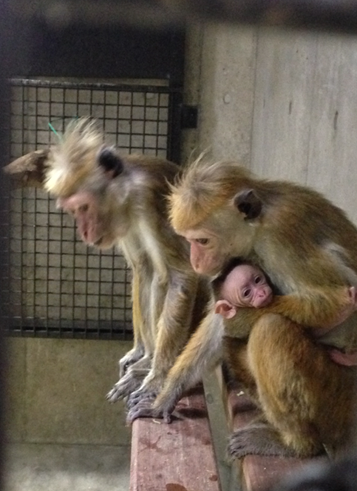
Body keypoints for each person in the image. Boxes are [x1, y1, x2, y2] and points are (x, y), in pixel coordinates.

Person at [214, 261, 357, 366]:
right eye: (247, 293)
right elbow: (306, 337)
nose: (260, 291)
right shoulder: (256, 326)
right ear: (228, 309)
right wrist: (344, 312)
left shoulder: (278, 292)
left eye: (258, 280)